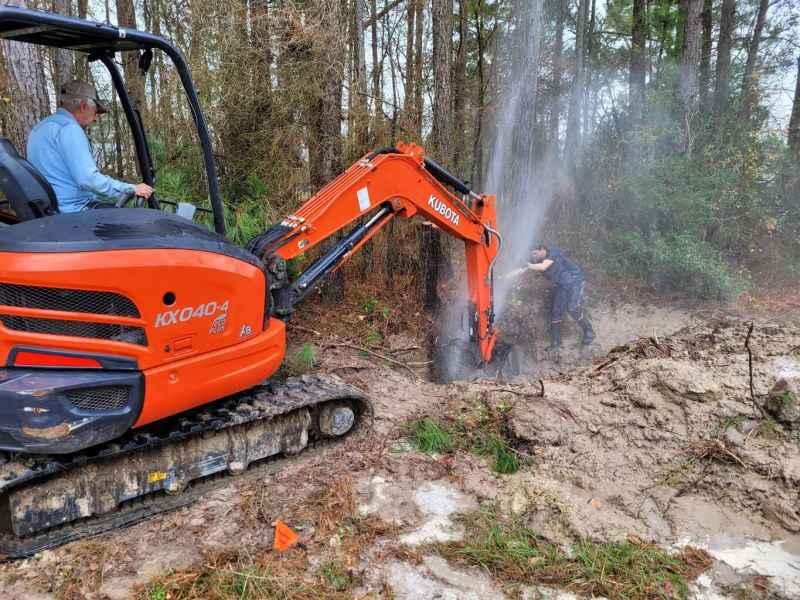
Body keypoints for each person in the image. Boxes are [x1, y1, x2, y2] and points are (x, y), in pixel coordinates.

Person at [27, 80, 153, 213]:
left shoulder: (41, 128)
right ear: (83, 106)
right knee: (133, 222)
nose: (95, 119)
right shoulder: (70, 130)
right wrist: (132, 189)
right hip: (74, 211)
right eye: (95, 112)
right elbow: (88, 179)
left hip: (51, 208)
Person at [527, 244, 595, 351]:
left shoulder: (553, 253)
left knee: (572, 308)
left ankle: (589, 331)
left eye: (535, 253)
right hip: (562, 285)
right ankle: (556, 343)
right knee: (556, 312)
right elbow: (528, 269)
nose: (534, 256)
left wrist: (527, 265)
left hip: (575, 281)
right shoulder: (539, 263)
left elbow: (543, 266)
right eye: (532, 254)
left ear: (542, 250)